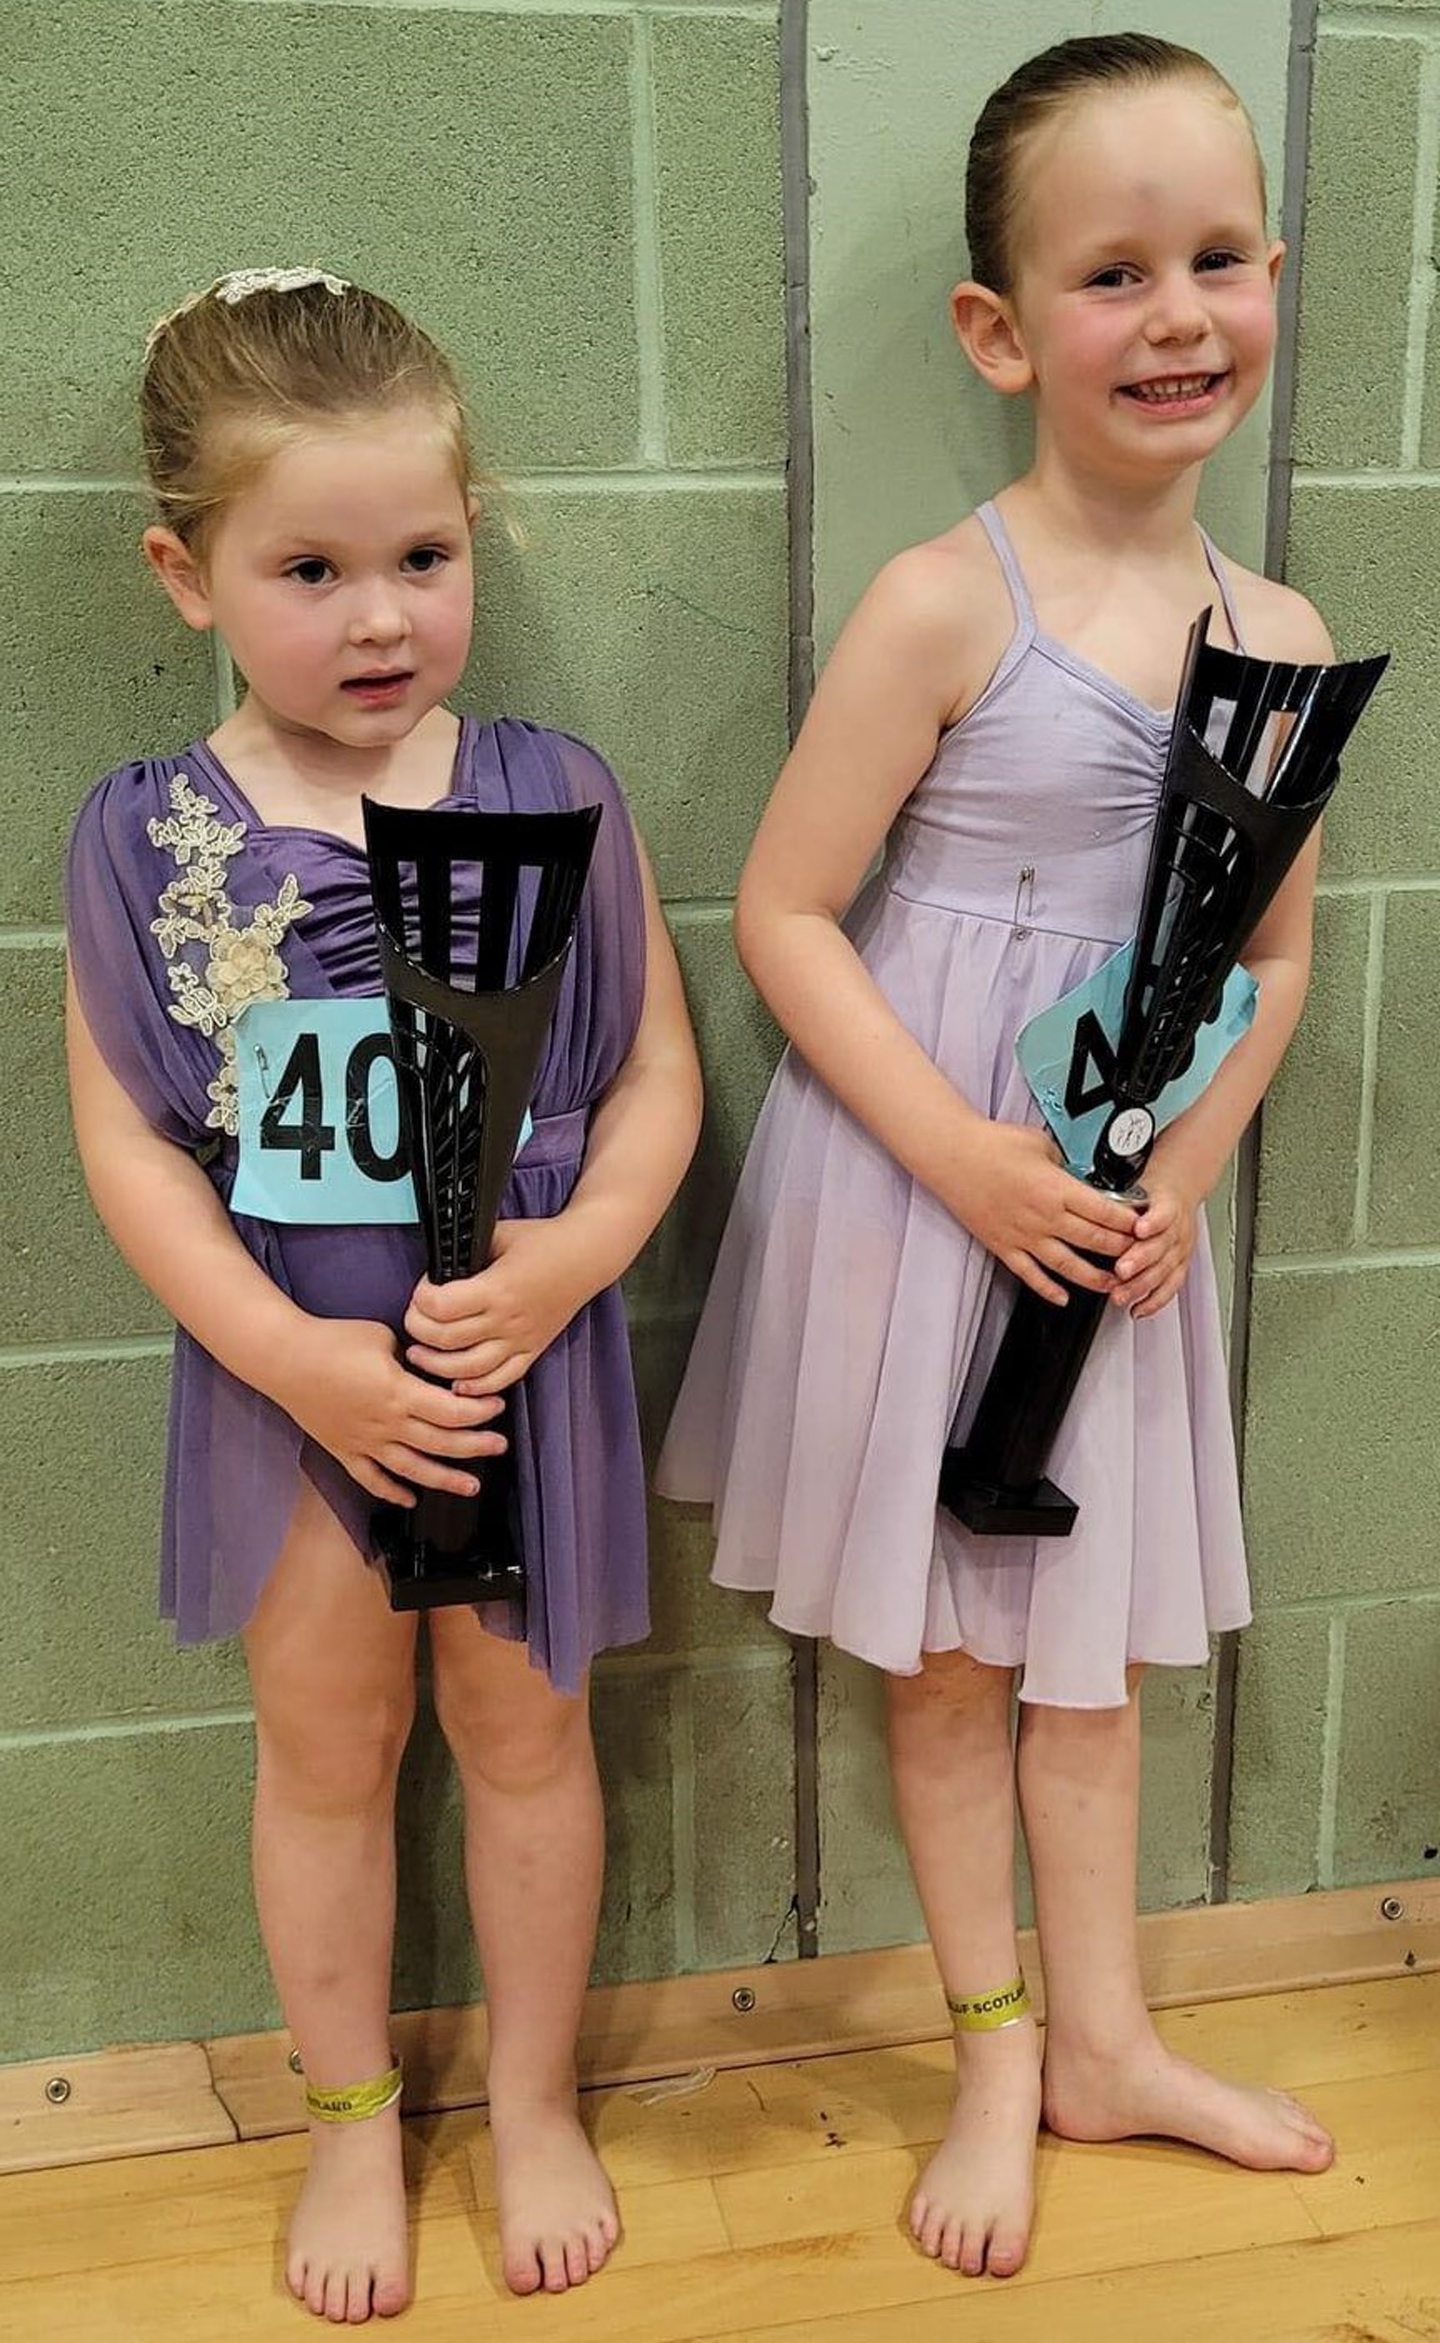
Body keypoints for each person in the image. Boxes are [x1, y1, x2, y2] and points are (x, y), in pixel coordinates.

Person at [659, 33, 1338, 2281]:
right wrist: (969, 1163)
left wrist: (1182, 1181)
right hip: (927, 1194)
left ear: (1275, 275)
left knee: (1094, 1661)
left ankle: (1116, 2036)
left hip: (1118, 1226)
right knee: (949, 1659)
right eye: (1112, 271)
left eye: (1218, 257)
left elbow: (1277, 960)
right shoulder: (950, 603)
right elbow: (780, 910)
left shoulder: (1282, 642)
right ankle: (990, 2044)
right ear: (999, 328)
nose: (1177, 314)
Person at [66, 268, 701, 2319]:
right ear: (187, 573)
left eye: (422, 555)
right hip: (298, 1388)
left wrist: (581, 1254)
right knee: (323, 1748)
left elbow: (658, 1077)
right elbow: (127, 1142)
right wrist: (280, 1351)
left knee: (527, 1734)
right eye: (310, 565)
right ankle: (352, 2111)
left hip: (516, 1354)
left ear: (474, 536)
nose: (380, 617)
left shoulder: (557, 791)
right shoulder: (143, 841)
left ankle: (529, 2094)